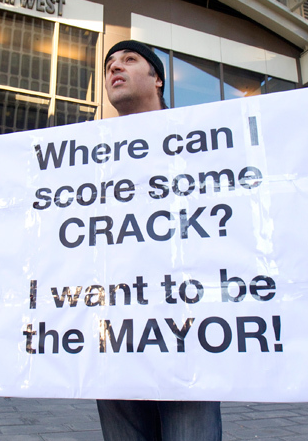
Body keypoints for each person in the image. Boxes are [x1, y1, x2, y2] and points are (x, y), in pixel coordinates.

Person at [96, 40, 223, 441]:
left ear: (158, 79)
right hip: (113, 332)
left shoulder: (203, 141)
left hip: (187, 330)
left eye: (130, 60)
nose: (116, 68)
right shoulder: (89, 156)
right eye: (110, 65)